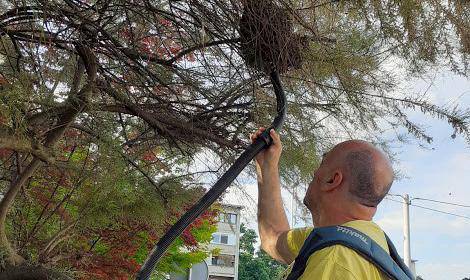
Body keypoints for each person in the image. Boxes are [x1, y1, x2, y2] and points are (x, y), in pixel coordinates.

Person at [251, 127, 395, 280]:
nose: (314, 172)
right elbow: (273, 237)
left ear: (332, 180)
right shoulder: (352, 240)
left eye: (323, 162)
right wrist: (267, 165)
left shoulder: (335, 260)